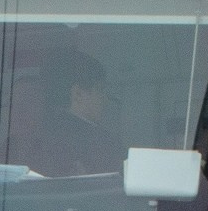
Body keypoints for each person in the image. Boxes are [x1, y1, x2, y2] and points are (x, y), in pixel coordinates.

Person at [16, 50, 126, 178]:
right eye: (100, 89)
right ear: (78, 93)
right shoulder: (104, 143)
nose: (105, 99)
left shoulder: (34, 140)